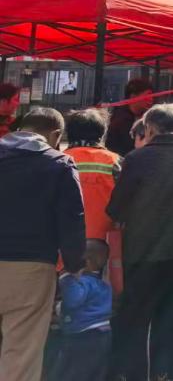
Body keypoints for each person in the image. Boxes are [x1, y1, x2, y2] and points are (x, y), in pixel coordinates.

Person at [106, 104, 173, 381]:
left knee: (136, 324)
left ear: (149, 129)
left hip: (142, 256)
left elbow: (116, 208)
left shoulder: (136, 159)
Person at [0, 108, 85, 381]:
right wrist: (74, 265)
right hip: (31, 267)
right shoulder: (59, 164)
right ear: (56, 135)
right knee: (21, 350)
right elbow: (72, 219)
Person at [51, 239, 112, 381]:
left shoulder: (85, 282)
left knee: (74, 372)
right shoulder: (103, 284)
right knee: (95, 373)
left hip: (84, 336)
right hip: (102, 334)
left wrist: (65, 276)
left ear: (87, 262)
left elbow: (73, 301)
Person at [63, 109, 121, 241]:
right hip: (105, 241)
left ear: (68, 133)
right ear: (102, 134)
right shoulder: (115, 161)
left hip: (65, 240)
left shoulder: (58, 160)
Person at [106, 77, 153, 156]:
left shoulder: (147, 118)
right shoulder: (120, 120)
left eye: (152, 96)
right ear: (133, 96)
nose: (151, 99)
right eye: (148, 95)